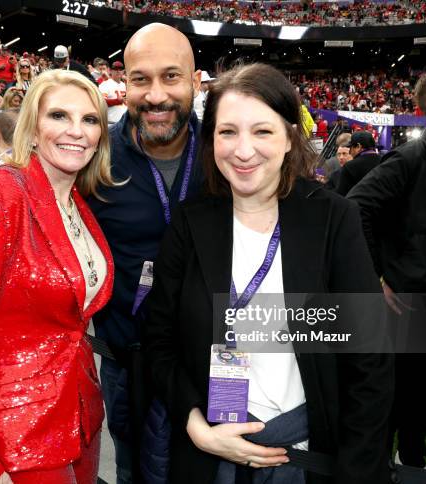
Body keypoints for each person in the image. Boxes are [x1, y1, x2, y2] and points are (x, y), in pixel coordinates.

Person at [144, 63, 394, 484]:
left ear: (289, 137)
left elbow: (369, 360)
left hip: (311, 456)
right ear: (211, 141)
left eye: (262, 131)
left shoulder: (333, 218)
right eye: (227, 132)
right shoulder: (190, 224)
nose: (243, 151)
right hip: (210, 452)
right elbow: (158, 340)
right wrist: (196, 426)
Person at [0, 69, 118, 484]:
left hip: (82, 419)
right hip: (18, 437)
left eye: (90, 120)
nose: (77, 131)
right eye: (59, 116)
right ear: (33, 129)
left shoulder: (80, 205)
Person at [87, 22, 203, 484]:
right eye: (141, 79)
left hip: (214, 358)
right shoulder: (94, 158)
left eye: (171, 76)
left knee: (215, 465)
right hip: (126, 359)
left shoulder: (227, 150)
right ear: (124, 83)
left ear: (196, 82)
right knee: (135, 468)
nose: (156, 95)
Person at [348, 61, 426, 470]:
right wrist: (374, 276)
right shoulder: (411, 157)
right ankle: (382, 465)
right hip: (415, 303)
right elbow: (355, 207)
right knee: (398, 398)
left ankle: (412, 458)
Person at [335, 130, 381, 196]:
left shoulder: (350, 167)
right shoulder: (385, 161)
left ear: (358, 147)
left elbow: (341, 196)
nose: (350, 151)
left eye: (351, 147)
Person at [98, 60, 127, 124]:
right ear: (111, 71)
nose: (118, 71)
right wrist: (117, 101)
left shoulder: (124, 85)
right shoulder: (105, 84)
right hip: (111, 123)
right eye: (115, 69)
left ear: (123, 71)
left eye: (120, 69)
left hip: (125, 123)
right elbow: (101, 102)